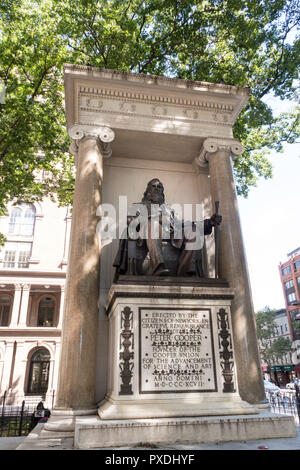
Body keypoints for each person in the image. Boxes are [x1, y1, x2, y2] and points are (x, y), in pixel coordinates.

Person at [114, 178, 222, 277]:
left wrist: (208, 223)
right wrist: (153, 218)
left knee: (192, 231)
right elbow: (131, 221)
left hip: (170, 235)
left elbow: (185, 223)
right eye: (153, 186)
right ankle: (158, 266)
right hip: (147, 233)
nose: (156, 189)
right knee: (153, 224)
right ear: (147, 191)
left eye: (159, 187)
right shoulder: (138, 206)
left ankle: (185, 273)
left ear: (162, 192)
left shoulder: (168, 210)